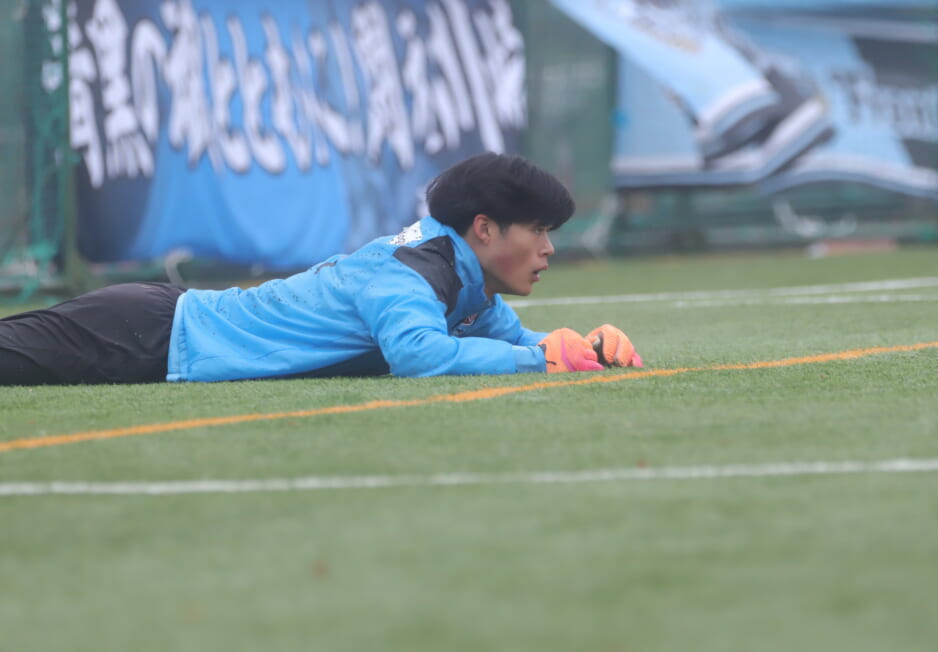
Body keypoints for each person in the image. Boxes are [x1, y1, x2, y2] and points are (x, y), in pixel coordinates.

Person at [0, 153, 642, 386]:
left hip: (159, 333)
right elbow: (419, 355)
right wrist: (538, 362)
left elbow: (519, 341)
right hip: (146, 334)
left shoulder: (465, 283)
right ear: (484, 228)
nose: (548, 249)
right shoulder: (406, 275)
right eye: (538, 231)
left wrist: (587, 348)